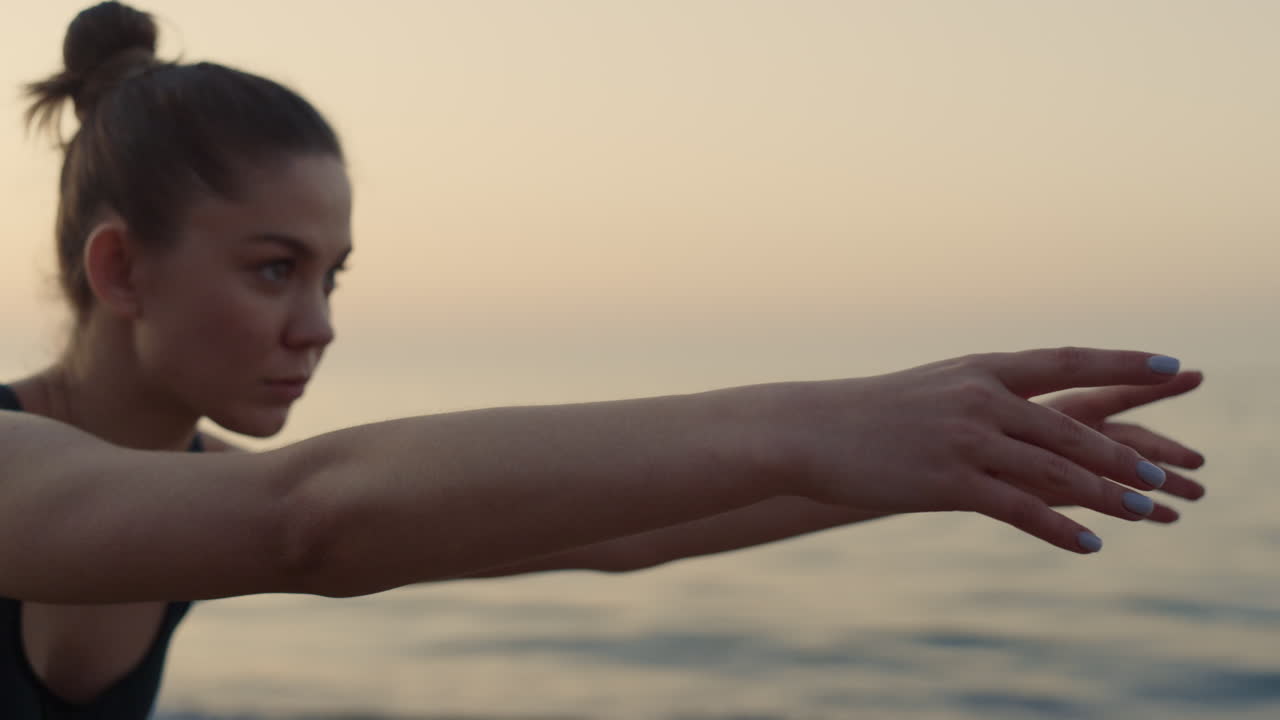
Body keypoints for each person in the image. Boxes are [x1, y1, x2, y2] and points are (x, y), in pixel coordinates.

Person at [0, 2, 1207, 719]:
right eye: (273, 269)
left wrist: (942, 462)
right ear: (121, 273)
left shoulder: (194, 495)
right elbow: (307, 519)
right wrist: (808, 422)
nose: (315, 324)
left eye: (330, 276)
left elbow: (602, 529)